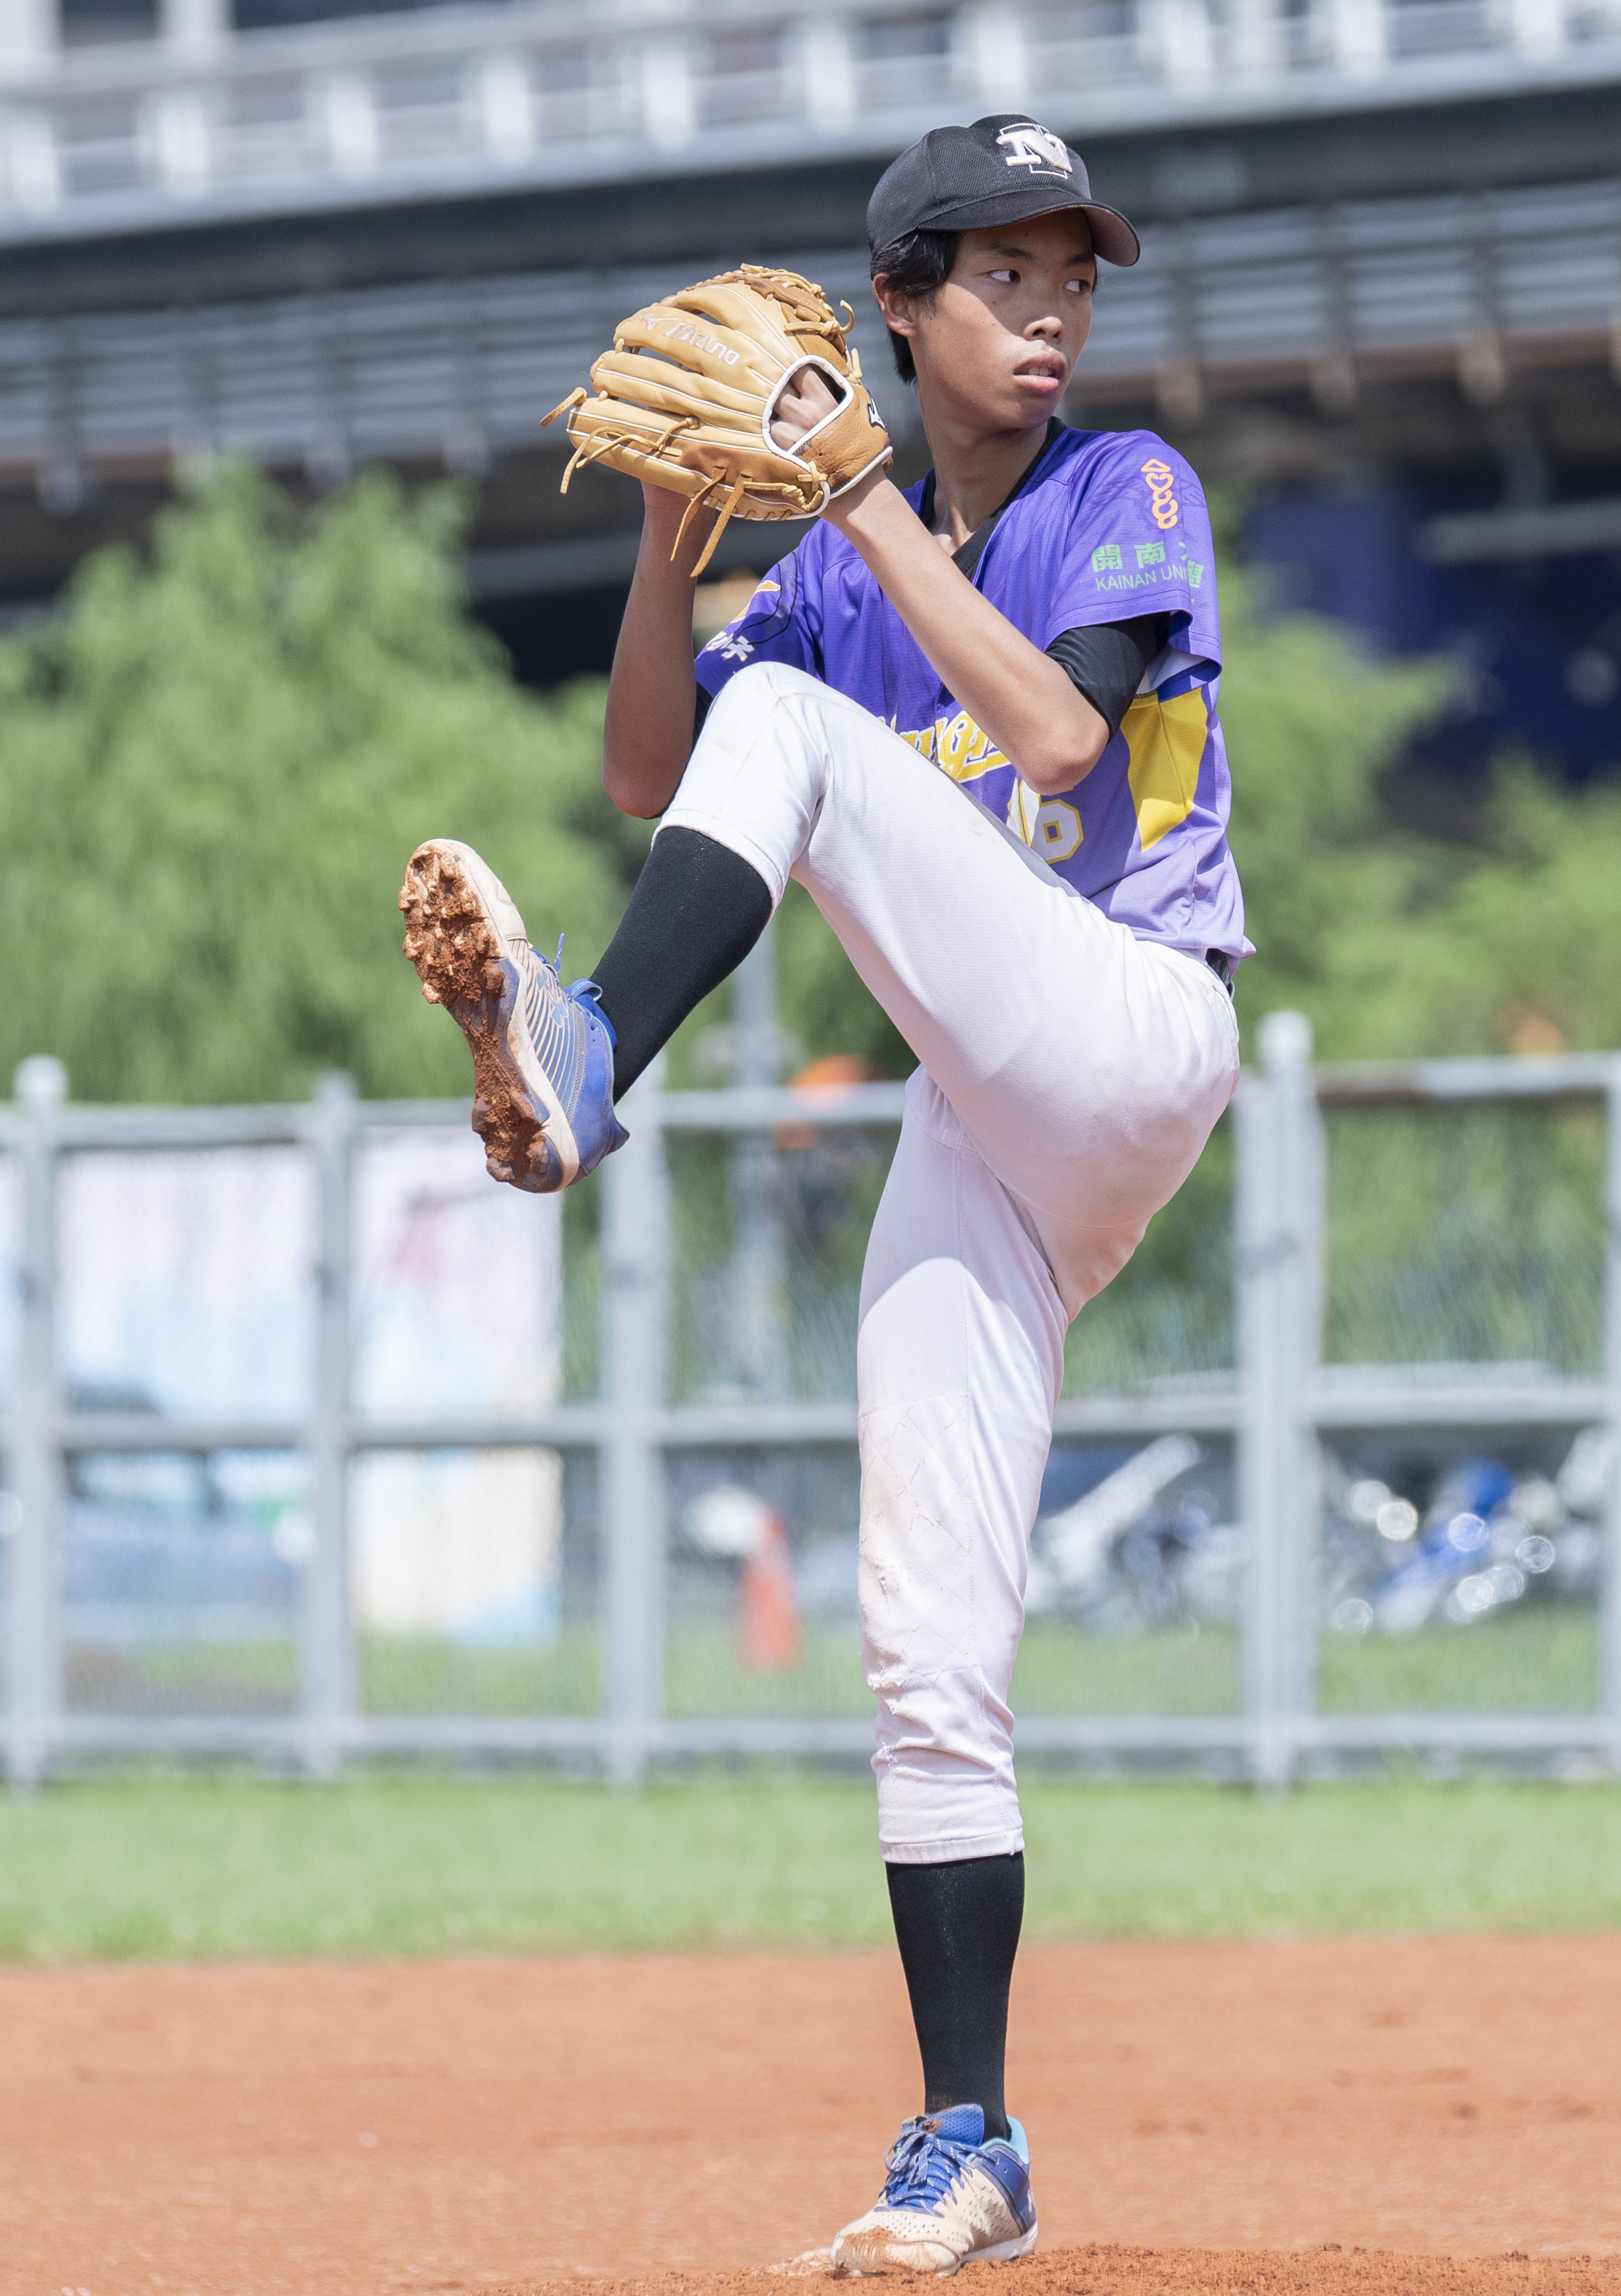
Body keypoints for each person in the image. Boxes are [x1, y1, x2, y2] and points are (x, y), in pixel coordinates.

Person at [398, 114, 1245, 2268]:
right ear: (901, 303)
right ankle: (969, 2141)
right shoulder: (839, 588)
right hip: (992, 1120)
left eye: (1075, 276)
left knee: (797, 757)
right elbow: (648, 778)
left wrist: (856, 494)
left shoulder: (1120, 489)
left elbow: (1063, 748)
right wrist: (677, 536)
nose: (1053, 313)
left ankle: (584, 1064)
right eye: (1008, 276)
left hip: (1132, 1018)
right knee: (922, 1642)